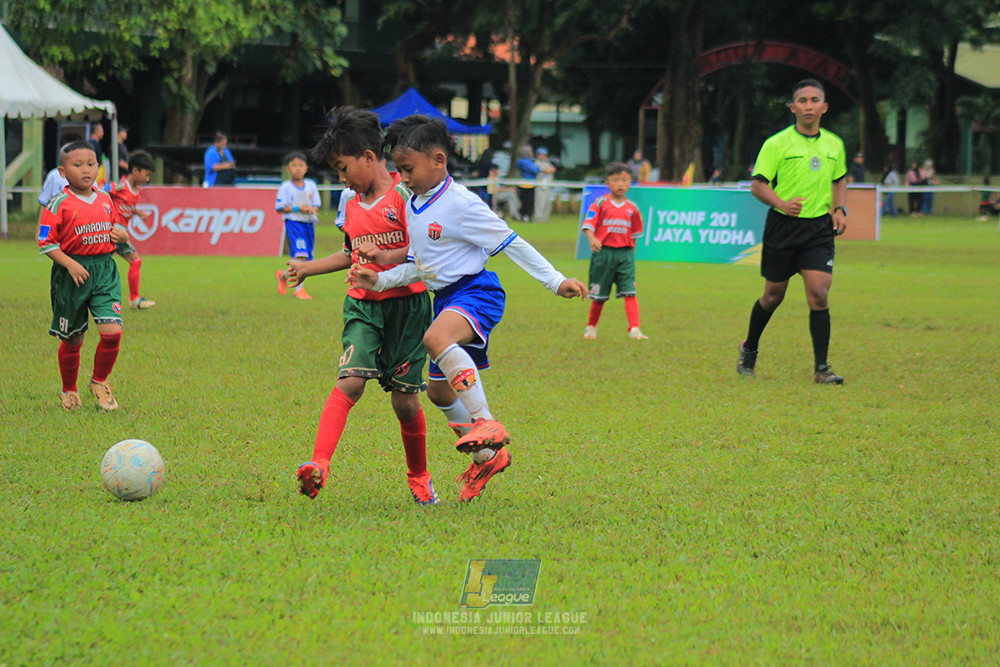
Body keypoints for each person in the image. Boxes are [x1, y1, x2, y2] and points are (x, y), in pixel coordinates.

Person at [349, 115, 588, 502]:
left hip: (476, 291)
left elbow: (512, 242)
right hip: (444, 298)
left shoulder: (462, 204)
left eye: (408, 169)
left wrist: (555, 280)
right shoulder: (414, 202)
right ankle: (488, 456)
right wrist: (380, 279)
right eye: (398, 169)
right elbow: (421, 264)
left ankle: (486, 422)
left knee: (435, 338)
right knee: (440, 394)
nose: (402, 177)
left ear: (438, 160)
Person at [288, 107, 438, 505]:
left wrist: (388, 259)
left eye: (342, 167)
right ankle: (319, 465)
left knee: (405, 402)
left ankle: (419, 478)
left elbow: (424, 252)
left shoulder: (408, 197)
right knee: (350, 381)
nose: (340, 178)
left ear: (369, 158)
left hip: (408, 310)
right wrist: (307, 268)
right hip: (363, 306)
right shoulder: (349, 203)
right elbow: (348, 252)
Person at [736, 79, 848, 385]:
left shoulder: (834, 144)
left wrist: (839, 209)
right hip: (783, 228)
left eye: (815, 101)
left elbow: (839, 179)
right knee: (773, 297)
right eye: (802, 101)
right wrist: (782, 203)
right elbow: (758, 185)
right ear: (793, 107)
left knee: (819, 294)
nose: (808, 106)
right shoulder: (776, 144)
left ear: (824, 107)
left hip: (818, 229)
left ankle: (821, 369)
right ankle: (750, 348)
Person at [36, 140, 130, 411]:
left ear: (98, 168)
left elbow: (117, 233)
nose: (85, 170)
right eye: (77, 165)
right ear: (62, 171)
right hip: (72, 276)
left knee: (112, 332)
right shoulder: (58, 203)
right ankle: (69, 390)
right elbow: (46, 243)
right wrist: (69, 264)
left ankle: (99, 382)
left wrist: (123, 236)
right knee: (73, 339)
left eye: (91, 164)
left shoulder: (105, 199)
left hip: (104, 272)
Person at [581, 162, 647, 341]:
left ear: (630, 182)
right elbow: (588, 224)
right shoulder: (600, 203)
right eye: (616, 180)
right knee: (599, 296)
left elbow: (635, 234)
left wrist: (631, 253)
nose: (620, 184)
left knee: (630, 293)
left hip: (625, 255)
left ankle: (634, 328)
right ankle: (591, 327)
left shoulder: (632, 208)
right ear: (607, 183)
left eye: (624, 180)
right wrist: (592, 238)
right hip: (604, 255)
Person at [105, 150, 158, 309]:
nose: (147, 179)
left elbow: (125, 206)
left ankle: (134, 299)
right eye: (146, 175)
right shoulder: (120, 186)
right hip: (113, 231)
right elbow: (99, 191)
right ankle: (132, 299)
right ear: (135, 171)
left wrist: (137, 212)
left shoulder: (137, 189)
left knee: (134, 261)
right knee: (104, 265)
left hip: (121, 233)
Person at [273, 152, 321, 300]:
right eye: (294, 166)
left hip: (308, 224)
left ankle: (284, 276)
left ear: (306, 168)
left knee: (306, 260)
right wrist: (297, 208)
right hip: (294, 224)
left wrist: (313, 210)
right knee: (301, 256)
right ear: (287, 169)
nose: (297, 169)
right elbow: (279, 207)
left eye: (300, 165)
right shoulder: (285, 187)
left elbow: (316, 205)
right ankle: (299, 290)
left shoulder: (311, 185)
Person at [515, 145, 540, 221]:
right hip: (526, 184)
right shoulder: (524, 162)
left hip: (530, 184)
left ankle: (527, 215)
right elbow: (535, 170)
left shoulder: (529, 161)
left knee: (529, 201)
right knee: (527, 201)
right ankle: (525, 215)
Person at [533, 147, 557, 222]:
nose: (544, 156)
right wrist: (549, 170)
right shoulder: (536, 163)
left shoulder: (547, 162)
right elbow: (546, 170)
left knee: (547, 202)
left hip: (548, 185)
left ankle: (545, 218)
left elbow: (553, 169)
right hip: (540, 185)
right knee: (540, 202)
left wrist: (550, 170)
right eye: (542, 155)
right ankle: (538, 218)